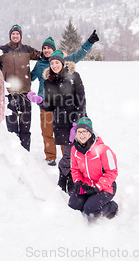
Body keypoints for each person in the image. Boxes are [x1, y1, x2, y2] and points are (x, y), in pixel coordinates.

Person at [30, 32, 99, 165]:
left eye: (49, 48)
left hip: (66, 109)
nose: (46, 50)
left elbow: (79, 54)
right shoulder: (39, 66)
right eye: (44, 48)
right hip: (46, 103)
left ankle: (67, 157)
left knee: (66, 133)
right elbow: (29, 76)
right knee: (48, 132)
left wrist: (89, 42)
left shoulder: (67, 67)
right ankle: (51, 157)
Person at [40, 50, 86, 193]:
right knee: (68, 154)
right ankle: (64, 177)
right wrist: (40, 102)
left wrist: (77, 123)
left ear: (62, 63)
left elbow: (81, 99)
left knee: (78, 153)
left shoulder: (74, 77)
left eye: (57, 62)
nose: (54, 65)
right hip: (60, 122)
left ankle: (73, 179)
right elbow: (50, 105)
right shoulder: (49, 81)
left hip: (75, 120)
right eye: (52, 63)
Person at [63, 117, 119, 221]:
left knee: (90, 210)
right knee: (73, 205)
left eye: (84, 131)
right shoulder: (74, 150)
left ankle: (112, 208)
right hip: (86, 185)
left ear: (90, 132)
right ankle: (91, 199)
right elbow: (75, 169)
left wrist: (97, 187)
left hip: (105, 187)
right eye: (79, 132)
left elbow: (112, 172)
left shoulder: (103, 150)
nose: (81, 135)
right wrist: (78, 182)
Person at [0, 24, 41, 151]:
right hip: (8, 94)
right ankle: (14, 154)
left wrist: (57, 54)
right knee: (11, 128)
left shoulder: (27, 49)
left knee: (26, 128)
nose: (15, 36)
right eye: (13, 34)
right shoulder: (2, 50)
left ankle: (26, 154)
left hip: (25, 94)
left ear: (20, 36)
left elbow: (43, 55)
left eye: (17, 34)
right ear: (10, 35)